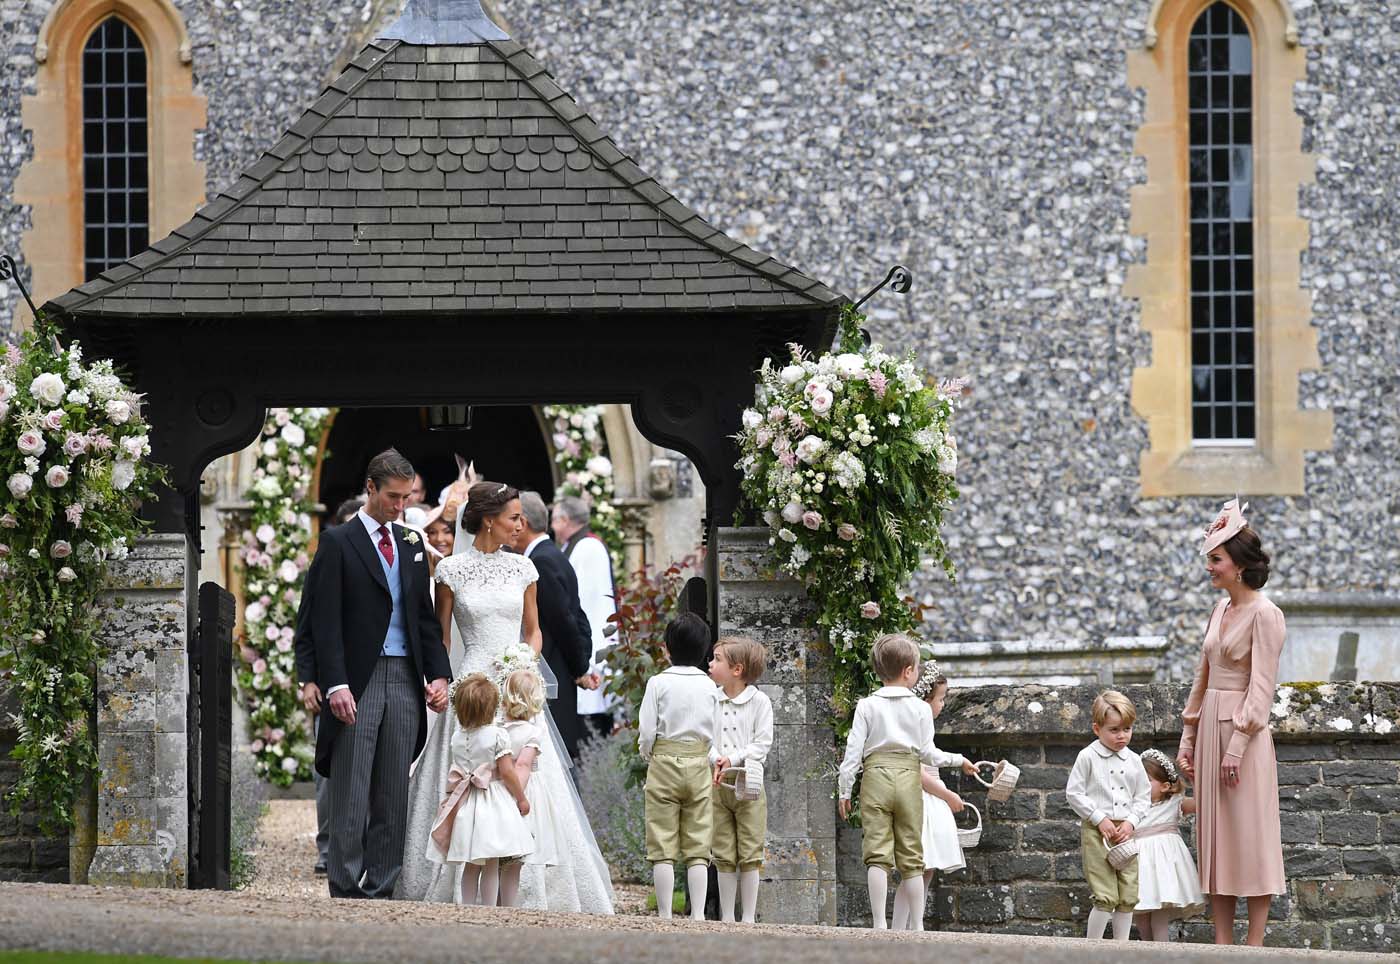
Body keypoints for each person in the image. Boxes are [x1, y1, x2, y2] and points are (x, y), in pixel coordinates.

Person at [396, 481, 614, 914]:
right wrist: (441, 680)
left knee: (526, 767)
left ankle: (529, 883)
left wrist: (523, 664)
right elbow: (441, 636)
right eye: (514, 517)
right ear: (489, 520)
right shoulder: (451, 571)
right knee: (466, 766)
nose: (521, 525)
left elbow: (533, 631)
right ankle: (458, 875)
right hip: (472, 685)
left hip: (514, 686)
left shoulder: (524, 570)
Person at [302, 448, 452, 899]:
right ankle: (345, 887)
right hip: (357, 681)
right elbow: (323, 620)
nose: (401, 507)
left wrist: (438, 674)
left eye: (406, 498)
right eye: (393, 497)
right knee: (350, 789)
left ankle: (383, 886)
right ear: (370, 488)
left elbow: (423, 618)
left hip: (405, 679)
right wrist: (335, 684)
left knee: (393, 790)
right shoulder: (336, 542)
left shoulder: (410, 543)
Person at [1176, 499, 1285, 946]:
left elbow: (1262, 689)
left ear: (1238, 565)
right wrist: (1188, 738)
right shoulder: (1219, 612)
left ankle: (1254, 945)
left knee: (1251, 837)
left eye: (1215, 559)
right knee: (1216, 838)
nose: (1209, 567)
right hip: (1208, 736)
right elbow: (1202, 679)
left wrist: (1236, 746)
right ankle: (1222, 943)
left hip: (1244, 739)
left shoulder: (1266, 614)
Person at [837, 633, 944, 931]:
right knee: (912, 854)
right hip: (909, 777)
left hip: (875, 777)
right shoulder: (921, 708)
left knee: (877, 854)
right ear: (908, 670)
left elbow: (853, 754)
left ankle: (879, 924)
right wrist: (957, 760)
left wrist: (845, 791)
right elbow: (928, 753)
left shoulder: (867, 706)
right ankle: (918, 926)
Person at [294, 495, 368, 876]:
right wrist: (308, 680)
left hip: (371, 682)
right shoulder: (329, 558)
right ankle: (328, 849)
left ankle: (362, 847)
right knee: (328, 775)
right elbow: (308, 624)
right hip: (329, 686)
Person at [426, 673, 533, 906]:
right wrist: (521, 798)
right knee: (491, 860)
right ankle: (488, 908)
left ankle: (466, 906)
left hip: (465, 803)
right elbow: (507, 772)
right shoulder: (497, 735)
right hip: (491, 802)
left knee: (472, 864)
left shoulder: (457, 736)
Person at [638, 612, 718, 921]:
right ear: (704, 651)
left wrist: (649, 754)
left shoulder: (658, 683)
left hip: (664, 762)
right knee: (699, 842)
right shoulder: (710, 687)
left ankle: (665, 914)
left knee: (662, 841)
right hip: (698, 761)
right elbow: (716, 730)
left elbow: (646, 731)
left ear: (667, 649)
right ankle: (697, 914)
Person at [889, 660, 978, 931]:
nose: (942, 705)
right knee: (915, 868)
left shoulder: (922, 723)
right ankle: (904, 927)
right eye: (940, 699)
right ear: (925, 700)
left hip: (929, 800)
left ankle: (910, 925)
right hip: (921, 800)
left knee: (925, 870)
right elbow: (918, 772)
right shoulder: (916, 723)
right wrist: (948, 794)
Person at [512, 492, 599, 761]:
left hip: (554, 671)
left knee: (551, 756)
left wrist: (580, 667)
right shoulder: (552, 554)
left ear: (523, 523)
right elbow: (578, 617)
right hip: (560, 669)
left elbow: (565, 620)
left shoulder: (541, 562)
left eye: (513, 518)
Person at [1065, 690, 1152, 941]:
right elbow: (1074, 792)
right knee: (1105, 894)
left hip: (1126, 832)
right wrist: (1098, 817)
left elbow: (1143, 797)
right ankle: (1093, 949)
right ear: (1097, 728)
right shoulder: (1087, 757)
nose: (1122, 735)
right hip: (1097, 832)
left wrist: (1131, 822)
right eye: (1114, 730)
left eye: (1127, 728)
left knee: (1128, 893)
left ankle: (1120, 949)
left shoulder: (1134, 760)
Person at [706, 636, 773, 924]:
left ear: (737, 669)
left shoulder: (759, 702)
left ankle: (747, 916)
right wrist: (715, 757)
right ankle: (728, 916)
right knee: (722, 850)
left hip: (749, 787)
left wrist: (732, 758)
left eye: (717, 658)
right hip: (718, 785)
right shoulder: (710, 699)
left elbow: (762, 743)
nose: (710, 663)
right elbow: (704, 736)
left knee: (750, 849)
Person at [552, 495, 617, 745]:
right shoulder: (576, 545)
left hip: (593, 646)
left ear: (565, 520)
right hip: (583, 646)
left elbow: (590, 603)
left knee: (590, 730)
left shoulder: (588, 548)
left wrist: (588, 659)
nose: (553, 527)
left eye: (555, 520)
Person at [1132, 749, 1204, 941]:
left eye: (1146, 780)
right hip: (1140, 865)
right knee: (1141, 915)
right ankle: (1146, 953)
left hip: (1165, 867)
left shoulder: (1175, 803)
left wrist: (1194, 778)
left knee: (1159, 917)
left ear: (1165, 786)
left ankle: (1162, 954)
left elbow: (1202, 803)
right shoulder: (1131, 806)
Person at [501, 668, 560, 901]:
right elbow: (523, 765)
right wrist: (518, 797)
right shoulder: (533, 733)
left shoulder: (499, 730)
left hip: (499, 789)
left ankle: (490, 903)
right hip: (523, 793)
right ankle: (507, 904)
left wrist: (501, 792)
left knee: (498, 856)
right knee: (515, 858)